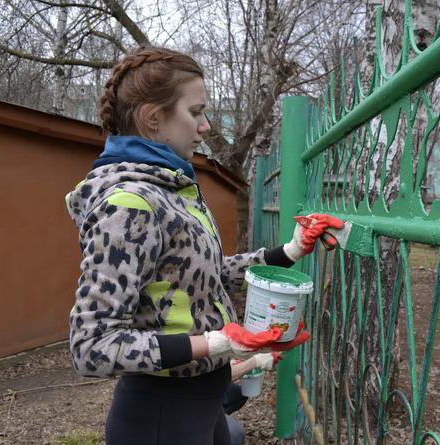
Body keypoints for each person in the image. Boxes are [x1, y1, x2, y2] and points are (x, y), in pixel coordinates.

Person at [65, 45, 344, 445]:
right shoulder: (128, 204)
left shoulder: (172, 191)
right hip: (161, 417)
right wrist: (218, 342)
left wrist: (292, 250)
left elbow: (202, 276)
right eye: (195, 112)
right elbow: (90, 345)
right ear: (153, 119)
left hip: (201, 401)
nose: (206, 126)